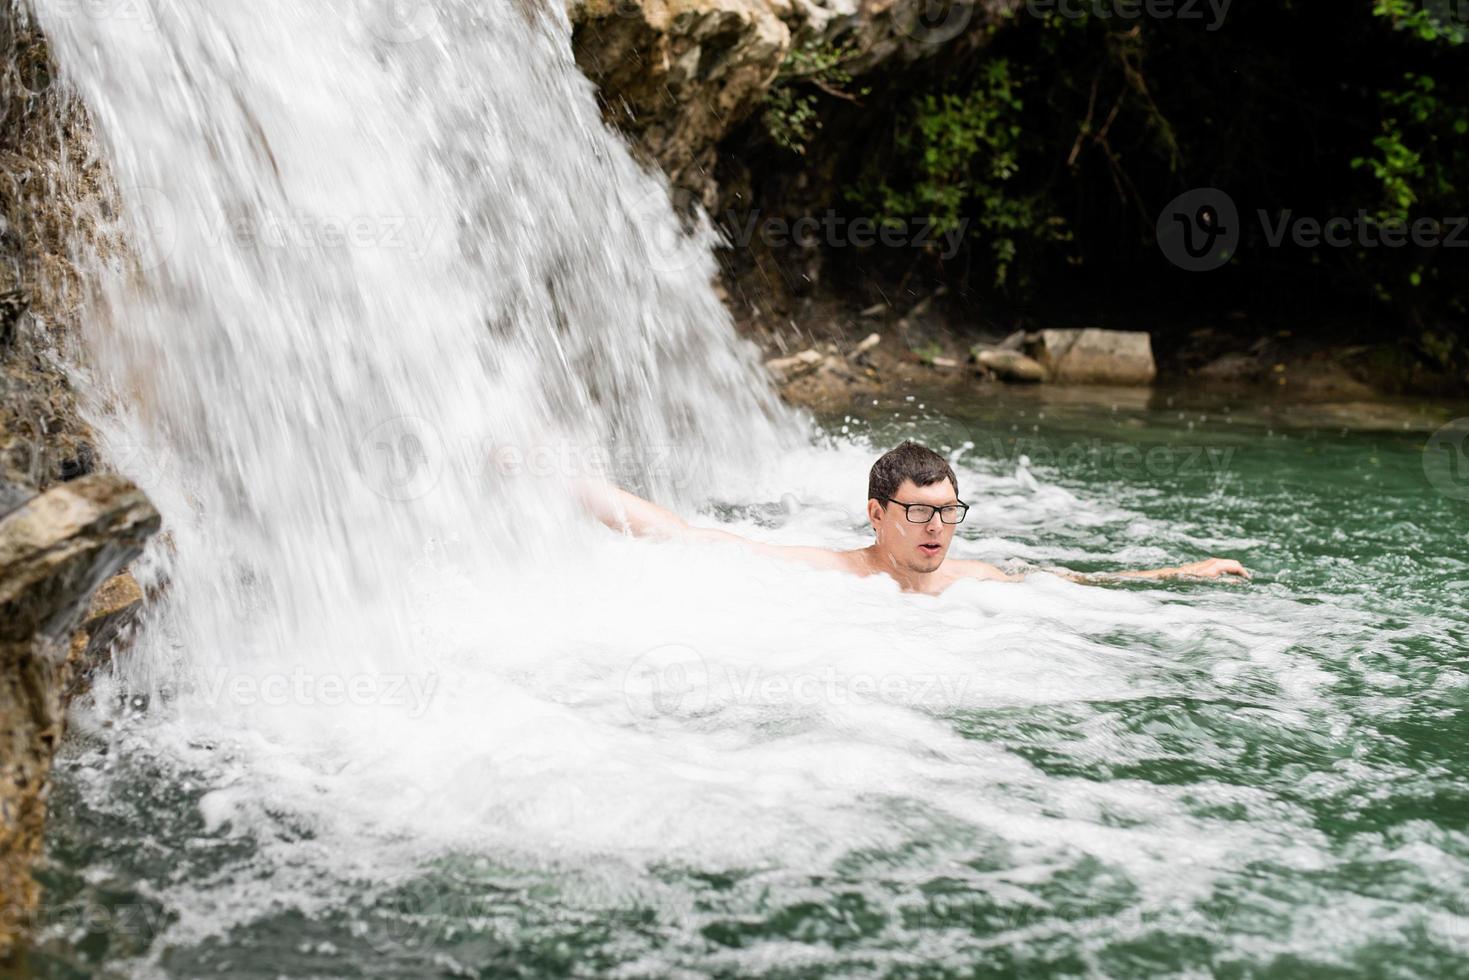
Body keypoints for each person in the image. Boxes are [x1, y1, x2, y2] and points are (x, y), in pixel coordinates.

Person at [579, 441, 1251, 596]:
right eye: (919, 513)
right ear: (876, 514)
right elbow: (687, 538)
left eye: (948, 513)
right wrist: (563, 482)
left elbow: (1077, 582)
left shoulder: (972, 580)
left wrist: (1186, 571)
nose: (936, 529)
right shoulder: (829, 572)